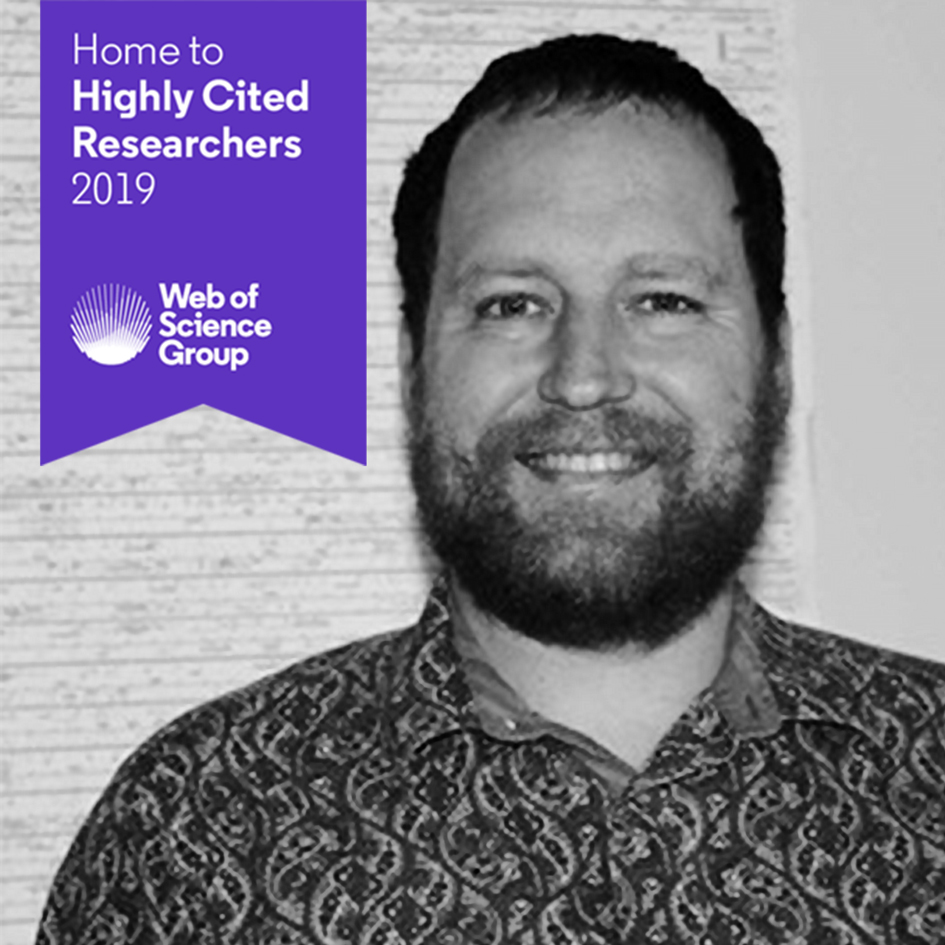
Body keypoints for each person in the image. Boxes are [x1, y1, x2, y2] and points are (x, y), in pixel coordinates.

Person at [38, 35, 944, 944]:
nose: (583, 376)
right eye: (511, 304)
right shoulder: (191, 833)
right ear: (414, 367)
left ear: (776, 360)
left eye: (662, 299)